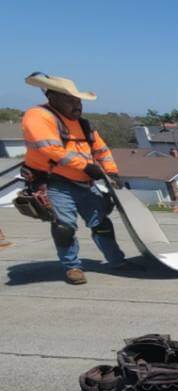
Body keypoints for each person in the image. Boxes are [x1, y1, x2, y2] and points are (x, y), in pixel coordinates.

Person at [21, 72, 129, 285]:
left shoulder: (83, 124)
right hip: (55, 182)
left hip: (84, 182)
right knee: (64, 227)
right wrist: (86, 167)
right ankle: (72, 267)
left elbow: (101, 149)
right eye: (71, 100)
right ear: (52, 98)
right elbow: (50, 149)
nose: (77, 105)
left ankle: (117, 261)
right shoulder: (38, 116)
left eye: (78, 101)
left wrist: (111, 171)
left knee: (101, 222)